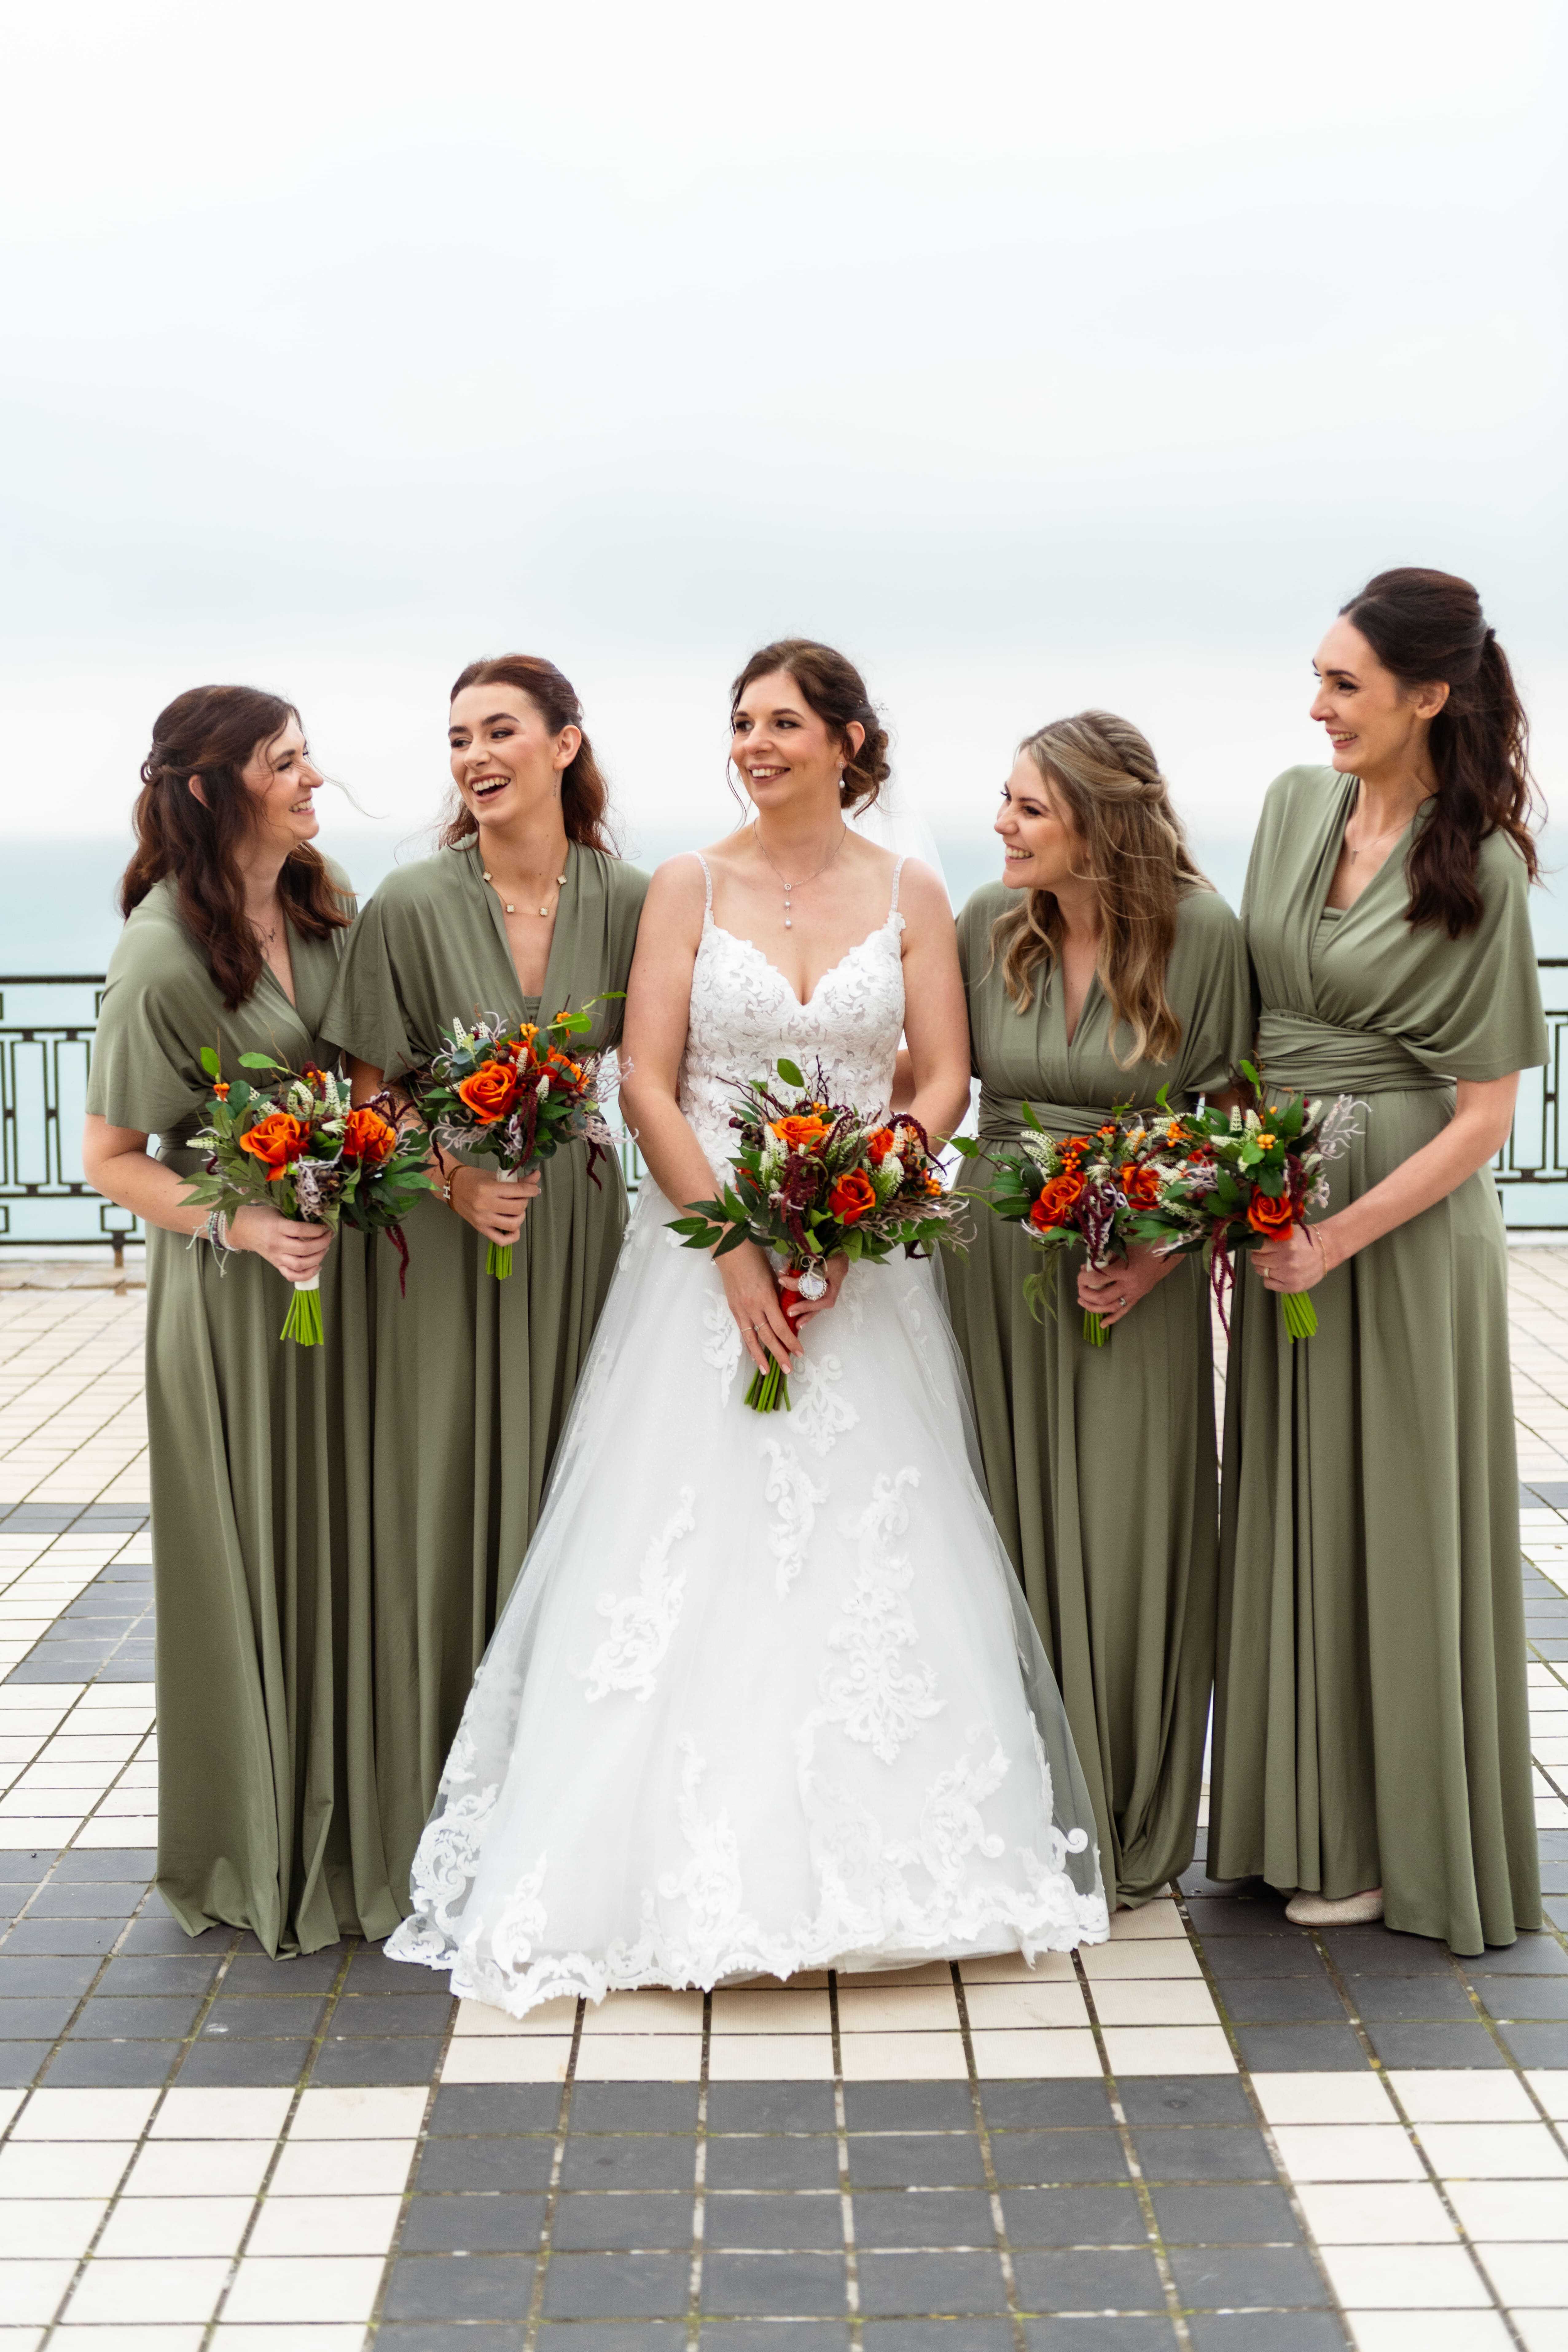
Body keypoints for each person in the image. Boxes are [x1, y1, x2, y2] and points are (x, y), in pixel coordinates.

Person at [385, 639, 1106, 2007]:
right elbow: (647, 1085)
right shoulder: (686, 885)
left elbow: (942, 1081)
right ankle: (667, 1868)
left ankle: (898, 1866)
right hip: (697, 1254)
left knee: (871, 1540)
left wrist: (853, 1211)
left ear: (847, 741)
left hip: (860, 1268)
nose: (754, 744)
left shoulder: (910, 889)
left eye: (782, 721)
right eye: (740, 722)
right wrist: (730, 1245)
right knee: (686, 1538)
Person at [1209, 568, 1546, 1952]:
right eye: (1317, 677)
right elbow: (1246, 1025)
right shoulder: (1293, 806)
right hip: (1284, 1208)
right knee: (1292, 1504)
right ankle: (1293, 1820)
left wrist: (1335, 1238)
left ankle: (1390, 1844)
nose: (1317, 706)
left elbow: (1483, 1116)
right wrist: (1243, 1197)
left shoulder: (1485, 867)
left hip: (1398, 1243)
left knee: (1397, 1519)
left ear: (1427, 696)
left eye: (1344, 684)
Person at [323, 656, 647, 1904]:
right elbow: (369, 1092)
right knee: (444, 1487)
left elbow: (673, 1067)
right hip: (443, 1239)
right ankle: (436, 1809)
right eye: (457, 737)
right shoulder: (409, 903)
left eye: (499, 730)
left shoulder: (630, 900)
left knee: (583, 1488)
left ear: (565, 743)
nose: (473, 756)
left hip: (580, 1232)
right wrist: (454, 1181)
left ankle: (566, 1814)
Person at [82, 684, 389, 1954]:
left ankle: (360, 1821)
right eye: (286, 761)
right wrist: (244, 1224)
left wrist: (369, 1138)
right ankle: (255, 1842)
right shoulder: (160, 955)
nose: (314, 778)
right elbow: (111, 1158)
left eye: (309, 756)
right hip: (232, 1295)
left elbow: (368, 1061)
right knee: (256, 1555)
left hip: (341, 1275)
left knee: (349, 1545)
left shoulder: (324, 899)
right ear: (213, 789)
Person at [944, 714, 1251, 1908]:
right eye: (1005, 801)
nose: (1001, 825)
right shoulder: (986, 923)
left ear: (1101, 822)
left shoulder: (1202, 934)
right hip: (992, 1257)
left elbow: (1232, 1120)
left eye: (1028, 807)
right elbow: (930, 1078)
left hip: (1139, 1271)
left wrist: (1159, 1255)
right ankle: (1016, 1812)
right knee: (1001, 1523)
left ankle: (1120, 1807)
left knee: (1131, 1529)